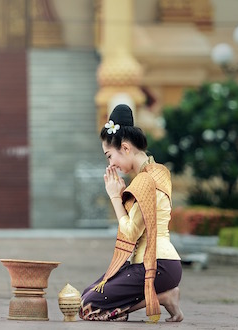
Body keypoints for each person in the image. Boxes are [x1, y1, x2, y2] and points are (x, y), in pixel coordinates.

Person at [79, 104, 183, 322]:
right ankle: (163, 294)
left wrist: (115, 197)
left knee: (88, 306)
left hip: (157, 265)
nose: (111, 164)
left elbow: (131, 232)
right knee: (87, 295)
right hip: (159, 263)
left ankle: (164, 296)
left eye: (109, 156)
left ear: (125, 148)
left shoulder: (146, 180)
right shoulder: (158, 172)